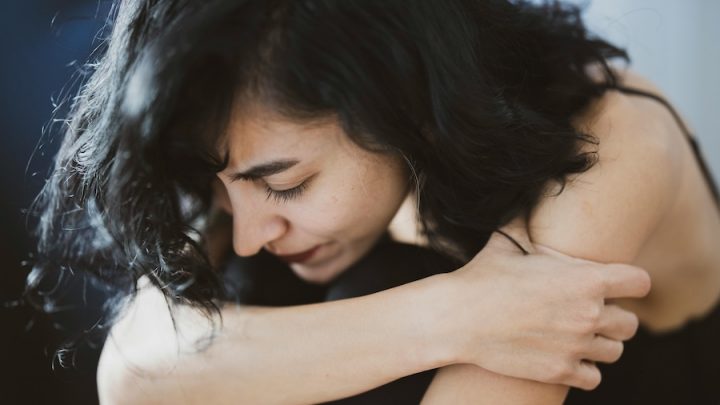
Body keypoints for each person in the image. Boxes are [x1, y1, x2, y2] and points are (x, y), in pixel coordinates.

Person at [26, 0, 719, 403]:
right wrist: (459, 313)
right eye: (215, 189)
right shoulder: (244, 147)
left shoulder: (615, 140)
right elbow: (135, 366)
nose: (247, 232)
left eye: (288, 184)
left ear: (404, 102)